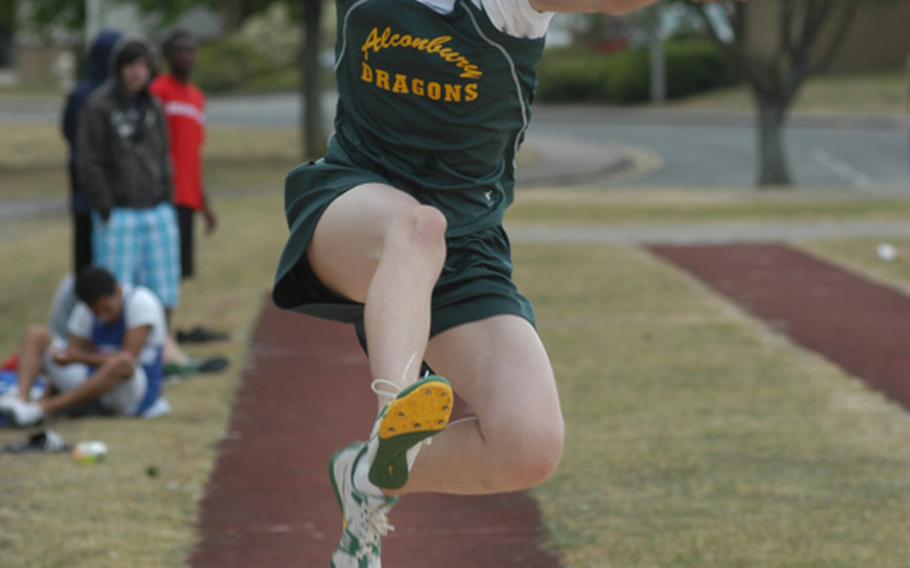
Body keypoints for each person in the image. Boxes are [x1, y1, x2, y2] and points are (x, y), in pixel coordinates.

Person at [269, 0, 724, 565]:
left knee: (528, 444)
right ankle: (395, 411)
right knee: (416, 228)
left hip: (467, 244)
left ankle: (371, 473)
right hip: (353, 205)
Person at [77, 36, 182, 316]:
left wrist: (167, 198)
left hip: (156, 207)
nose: (136, 72)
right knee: (116, 292)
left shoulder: (154, 106)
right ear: (118, 68)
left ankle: (159, 352)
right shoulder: (98, 106)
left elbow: (163, 154)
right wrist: (105, 206)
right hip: (119, 212)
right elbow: (89, 160)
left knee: (163, 290)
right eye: (130, 65)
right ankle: (121, 353)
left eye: (143, 65)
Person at [0, 267, 169, 426]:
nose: (103, 317)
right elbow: (73, 353)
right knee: (35, 335)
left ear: (118, 291)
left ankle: (40, 410)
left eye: (107, 309)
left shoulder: (141, 303)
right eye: (97, 312)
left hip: (133, 391)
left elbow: (129, 358)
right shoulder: (86, 310)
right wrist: (63, 359)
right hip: (95, 385)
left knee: (122, 362)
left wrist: (77, 357)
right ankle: (21, 404)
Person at [150, 29, 218, 283]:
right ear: (168, 55)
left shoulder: (197, 98)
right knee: (157, 272)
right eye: (179, 51)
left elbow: (193, 154)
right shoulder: (157, 91)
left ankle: (165, 324)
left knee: (177, 276)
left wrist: (205, 204)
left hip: (187, 199)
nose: (185, 57)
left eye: (190, 51)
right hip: (161, 196)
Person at [61, 29, 123, 273]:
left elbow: (66, 130)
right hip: (102, 184)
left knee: (85, 250)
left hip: (83, 180)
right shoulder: (108, 95)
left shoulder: (80, 93)